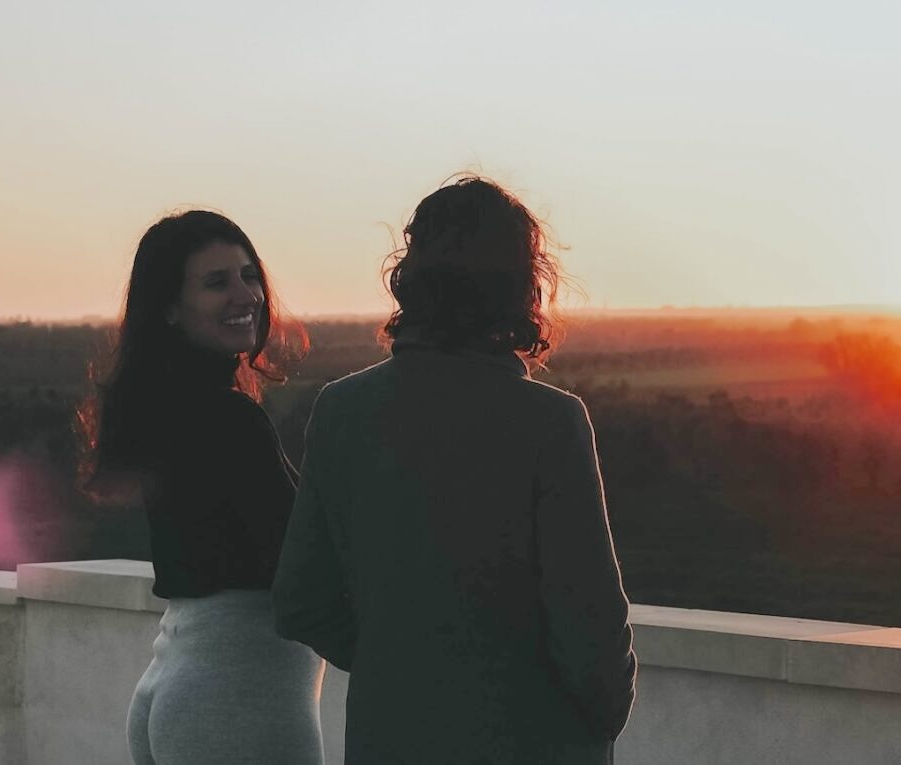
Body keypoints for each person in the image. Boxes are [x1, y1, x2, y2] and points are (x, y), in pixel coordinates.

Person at [273, 177, 637, 763]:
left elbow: (301, 599)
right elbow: (590, 628)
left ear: (409, 276)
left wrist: (402, 668)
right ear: (524, 284)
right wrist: (598, 718)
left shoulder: (341, 410)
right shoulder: (551, 422)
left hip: (390, 739)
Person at [79, 210, 325, 764]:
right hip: (235, 698)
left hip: (186, 682)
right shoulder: (228, 418)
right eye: (217, 283)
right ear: (169, 308)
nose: (246, 295)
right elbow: (300, 562)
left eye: (249, 275)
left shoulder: (170, 410)